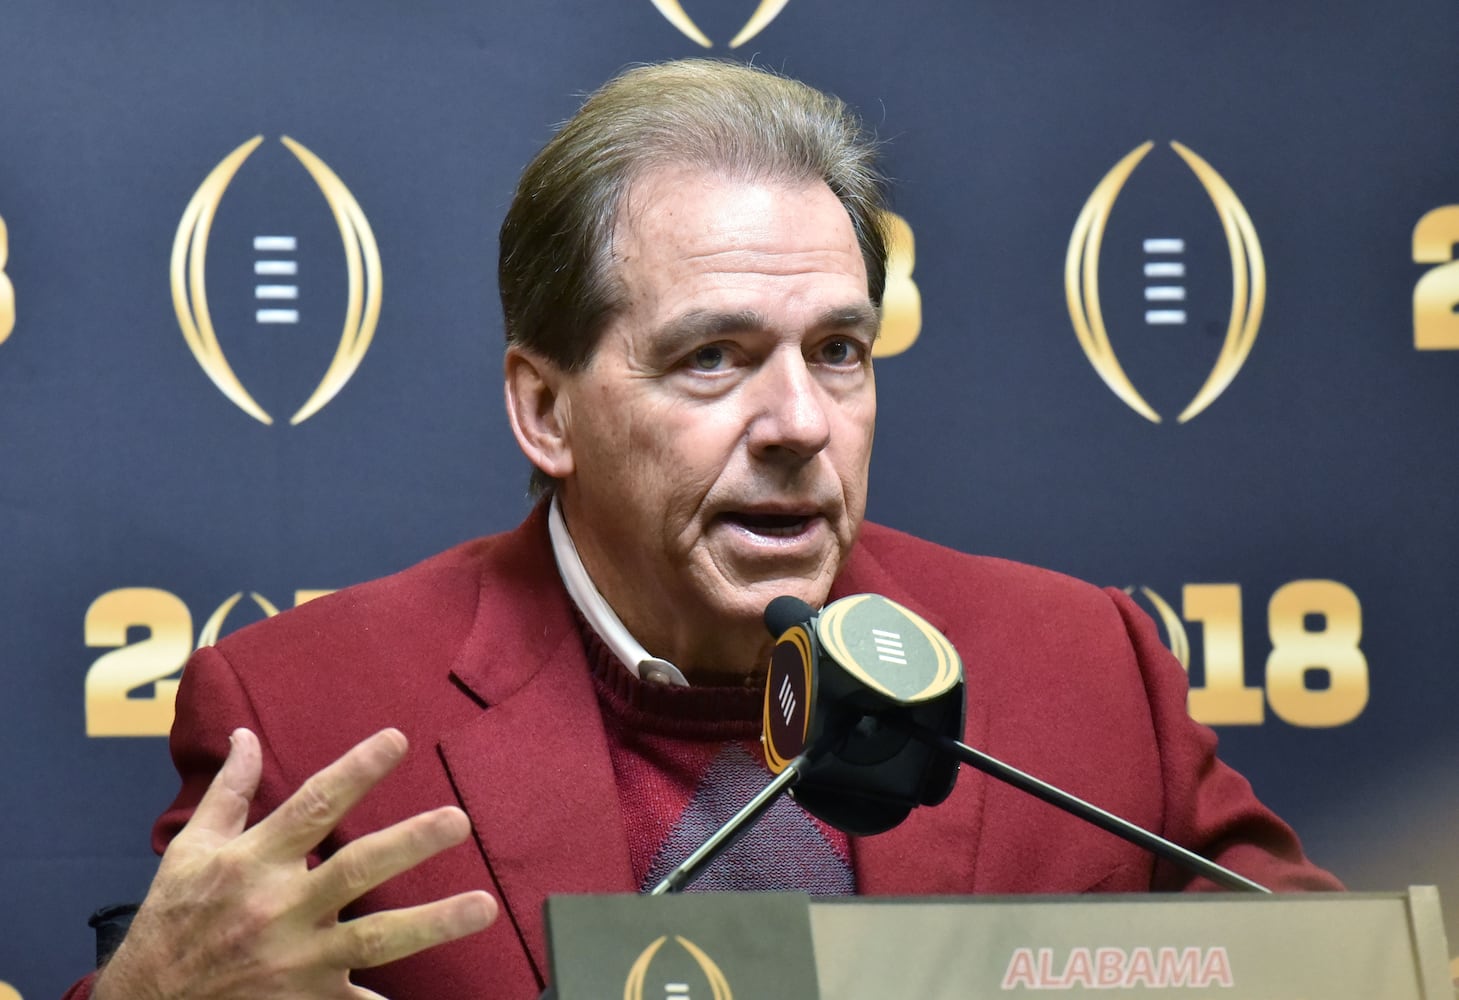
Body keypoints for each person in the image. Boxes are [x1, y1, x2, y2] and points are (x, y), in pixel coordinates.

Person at [68, 58, 1339, 1000]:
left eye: (838, 351)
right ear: (546, 407)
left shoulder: (1085, 668)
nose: (797, 421)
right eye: (713, 358)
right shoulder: (309, 715)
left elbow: (1329, 971)